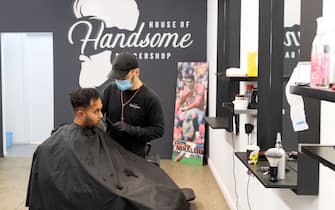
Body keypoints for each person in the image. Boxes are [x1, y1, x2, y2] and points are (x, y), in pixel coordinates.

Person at [26, 88, 190, 210]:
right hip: (105, 187)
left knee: (153, 178)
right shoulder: (57, 145)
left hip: (115, 175)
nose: (100, 115)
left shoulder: (96, 130)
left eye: (100, 109)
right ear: (81, 114)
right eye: (96, 111)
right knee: (134, 199)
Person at [101, 52, 164, 157]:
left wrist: (130, 130)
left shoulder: (150, 98)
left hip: (136, 156)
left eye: (123, 78)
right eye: (116, 78)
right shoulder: (110, 90)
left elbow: (158, 130)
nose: (119, 81)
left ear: (136, 72)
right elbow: (97, 113)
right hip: (110, 152)